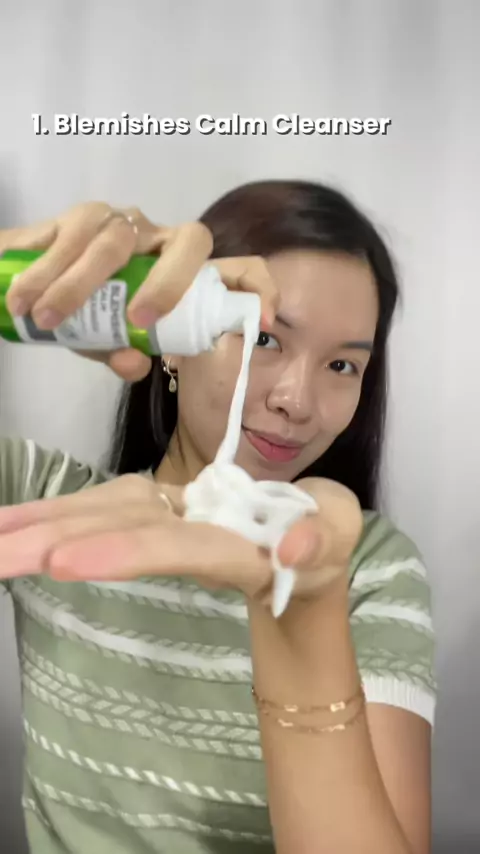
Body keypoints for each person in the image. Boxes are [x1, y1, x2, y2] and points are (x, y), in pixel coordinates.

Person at [0, 180, 435, 854]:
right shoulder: (43, 501)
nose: (298, 401)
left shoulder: (371, 569)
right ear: (173, 342)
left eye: (342, 364)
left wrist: (303, 609)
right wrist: (16, 278)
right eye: (264, 338)